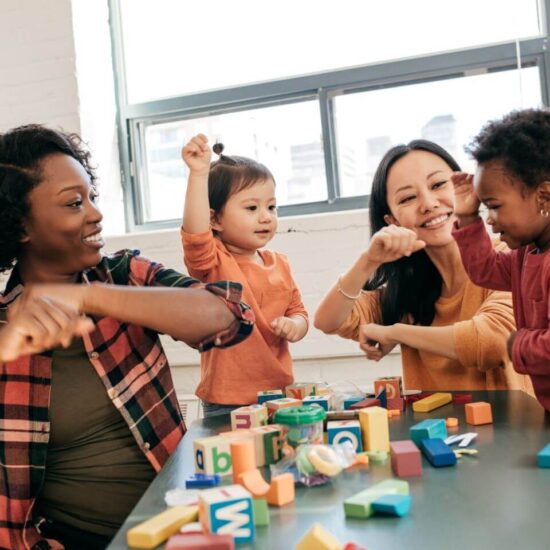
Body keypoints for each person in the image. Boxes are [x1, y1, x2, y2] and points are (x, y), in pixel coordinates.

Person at [0, 124, 254, 550]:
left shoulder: (124, 277)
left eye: (92, 197)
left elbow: (227, 314)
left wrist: (88, 296)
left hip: (185, 521)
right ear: (20, 225)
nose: (95, 214)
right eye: (74, 203)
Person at [314, 139, 532, 394]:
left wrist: (396, 333)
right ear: (393, 220)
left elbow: (494, 340)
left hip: (513, 432)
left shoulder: (509, 258)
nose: (428, 203)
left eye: (438, 184)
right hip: (433, 434)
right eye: (408, 198)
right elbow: (327, 321)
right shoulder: (406, 290)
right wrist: (368, 261)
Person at [181, 134, 308, 417]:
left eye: (271, 207)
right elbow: (195, 233)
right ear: (215, 219)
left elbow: (299, 312)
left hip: (279, 393)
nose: (265, 217)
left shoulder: (280, 263)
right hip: (227, 400)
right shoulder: (212, 262)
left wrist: (295, 325)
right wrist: (198, 175)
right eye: (252, 208)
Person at [452, 108, 550, 410]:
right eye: (485, 209)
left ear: (543, 197)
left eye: (494, 207)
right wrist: (468, 216)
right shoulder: (525, 254)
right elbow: (485, 270)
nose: (491, 220)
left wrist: (516, 343)